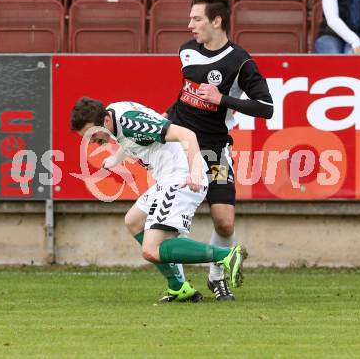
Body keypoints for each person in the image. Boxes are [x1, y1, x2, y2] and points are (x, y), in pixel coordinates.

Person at [70, 97, 247, 302]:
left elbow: (186, 134)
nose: (92, 141)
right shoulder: (112, 113)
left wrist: (195, 172)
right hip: (167, 178)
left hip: (180, 178)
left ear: (106, 121)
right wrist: (115, 160)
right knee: (134, 221)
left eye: (92, 134)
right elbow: (129, 139)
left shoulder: (129, 122)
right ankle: (179, 287)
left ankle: (225, 255)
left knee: (152, 250)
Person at [164, 0, 273, 301]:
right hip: (180, 149)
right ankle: (177, 286)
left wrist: (223, 99)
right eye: (190, 18)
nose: (190, 24)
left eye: (196, 18)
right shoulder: (187, 51)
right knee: (171, 222)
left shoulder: (240, 62)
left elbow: (267, 107)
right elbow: (185, 96)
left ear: (216, 20)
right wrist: (167, 118)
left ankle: (215, 276)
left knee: (225, 223)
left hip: (214, 151)